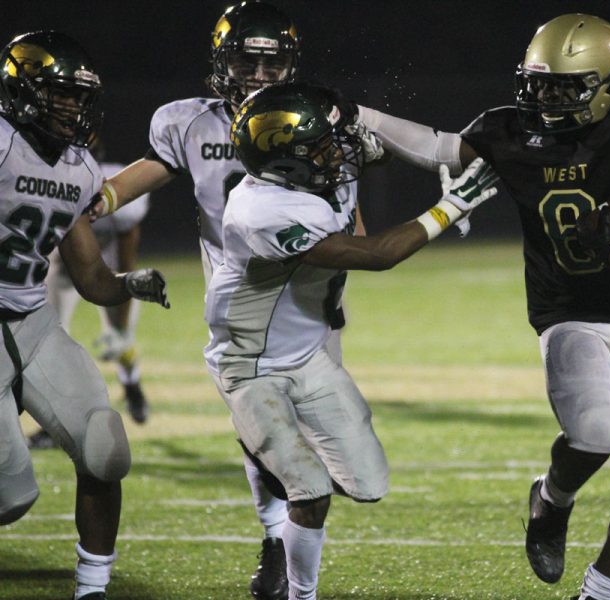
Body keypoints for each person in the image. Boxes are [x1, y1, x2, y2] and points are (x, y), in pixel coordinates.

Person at [354, 13, 610, 600]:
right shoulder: (507, 132)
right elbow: (437, 148)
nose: (547, 97)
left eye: (565, 86)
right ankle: (551, 501)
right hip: (566, 314)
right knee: (597, 434)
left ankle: (598, 592)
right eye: (538, 83)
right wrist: (361, 115)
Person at [87, 3, 380, 597]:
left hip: (306, 300)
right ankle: (277, 540)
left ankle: (291, 533)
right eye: (248, 58)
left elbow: (355, 230)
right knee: (263, 429)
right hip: (241, 302)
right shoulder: (190, 123)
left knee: (316, 439)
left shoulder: (313, 120)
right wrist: (95, 199)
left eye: (274, 62)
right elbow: (146, 172)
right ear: (223, 60)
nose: (261, 73)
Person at [210, 80, 497, 600]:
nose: (337, 151)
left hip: (307, 356)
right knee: (311, 489)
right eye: (322, 145)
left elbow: (356, 167)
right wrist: (447, 209)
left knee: (368, 484)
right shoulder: (260, 210)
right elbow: (374, 255)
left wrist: (364, 148)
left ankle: (278, 463)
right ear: (287, 161)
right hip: (252, 366)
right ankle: (301, 591)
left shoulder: (311, 178)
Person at [0, 31, 170, 600]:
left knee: (104, 444)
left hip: (31, 318)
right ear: (21, 90)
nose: (73, 107)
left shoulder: (77, 169)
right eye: (59, 94)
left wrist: (129, 285)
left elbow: (91, 277)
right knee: (9, 496)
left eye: (78, 97)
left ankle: (92, 590)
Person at [28, 140, 152, 451]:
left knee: (121, 339)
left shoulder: (115, 195)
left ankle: (131, 383)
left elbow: (127, 260)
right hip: (61, 265)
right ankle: (50, 423)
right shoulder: (47, 179)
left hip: (106, 267)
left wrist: (121, 327)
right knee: (48, 341)